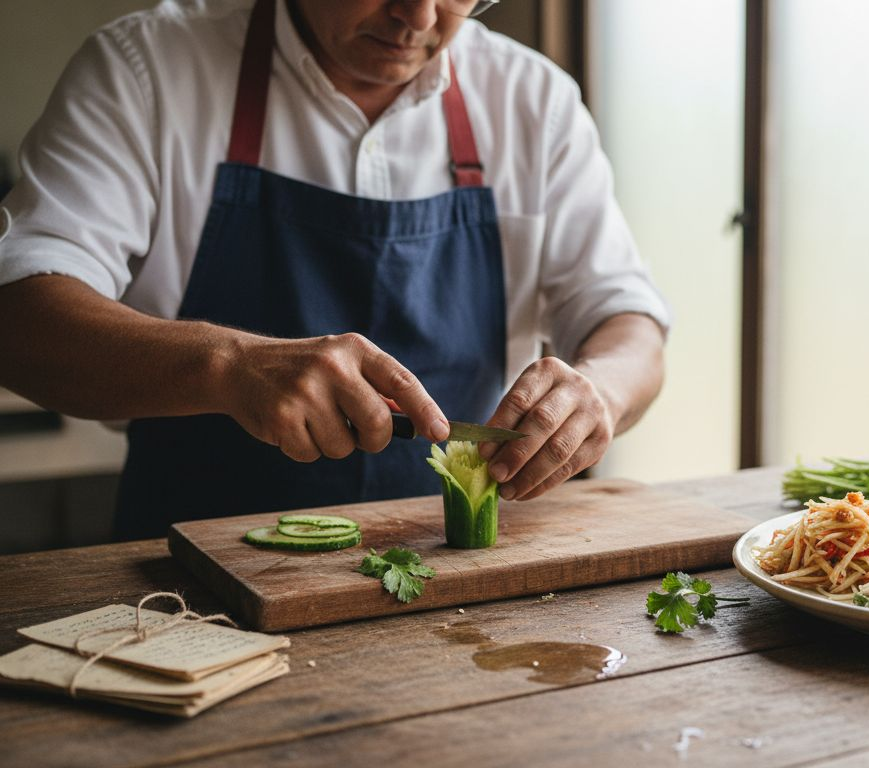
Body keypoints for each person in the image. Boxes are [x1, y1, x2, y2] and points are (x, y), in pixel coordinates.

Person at [0, 0, 669, 539]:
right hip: (188, 587)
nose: (421, 17)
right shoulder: (145, 71)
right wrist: (228, 365)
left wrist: (601, 392)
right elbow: (19, 316)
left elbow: (625, 319)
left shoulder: (536, 100)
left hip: (457, 583)